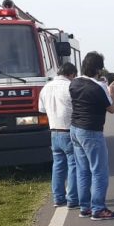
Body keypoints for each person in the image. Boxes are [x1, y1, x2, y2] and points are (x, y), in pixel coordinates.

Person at [69, 51, 114, 220]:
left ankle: (85, 208)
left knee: (83, 171)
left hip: (75, 128)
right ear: (98, 69)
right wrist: (112, 92)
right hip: (91, 131)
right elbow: (112, 109)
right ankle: (98, 209)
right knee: (99, 171)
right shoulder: (99, 87)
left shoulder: (74, 83)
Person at [38, 62, 79, 209]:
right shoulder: (70, 87)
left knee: (58, 166)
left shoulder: (45, 88)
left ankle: (58, 198)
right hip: (68, 130)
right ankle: (73, 199)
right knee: (74, 165)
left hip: (54, 131)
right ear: (71, 74)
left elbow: (42, 109)